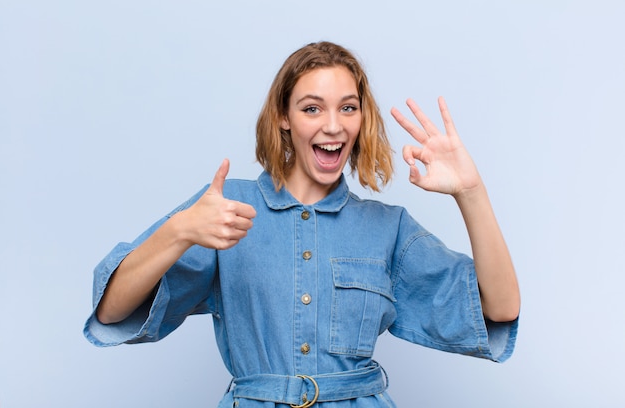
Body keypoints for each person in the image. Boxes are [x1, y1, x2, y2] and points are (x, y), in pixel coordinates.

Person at [84, 41, 520, 407]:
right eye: (312, 108)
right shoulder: (225, 207)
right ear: (283, 118)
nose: (333, 125)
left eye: (348, 107)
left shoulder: (388, 229)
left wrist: (471, 191)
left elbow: (499, 310)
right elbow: (112, 311)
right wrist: (178, 231)